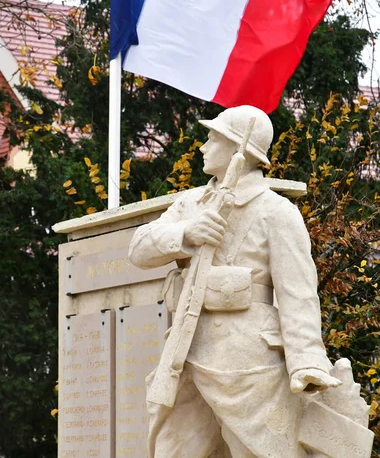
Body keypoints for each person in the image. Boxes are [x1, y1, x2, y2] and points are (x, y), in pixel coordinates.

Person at [128, 105, 340, 458]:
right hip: (186, 352)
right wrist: (185, 233)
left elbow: (297, 294)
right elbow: (138, 250)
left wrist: (307, 362)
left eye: (212, 138)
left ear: (238, 149)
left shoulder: (276, 212)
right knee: (173, 449)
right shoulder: (192, 203)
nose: (202, 146)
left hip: (249, 365)